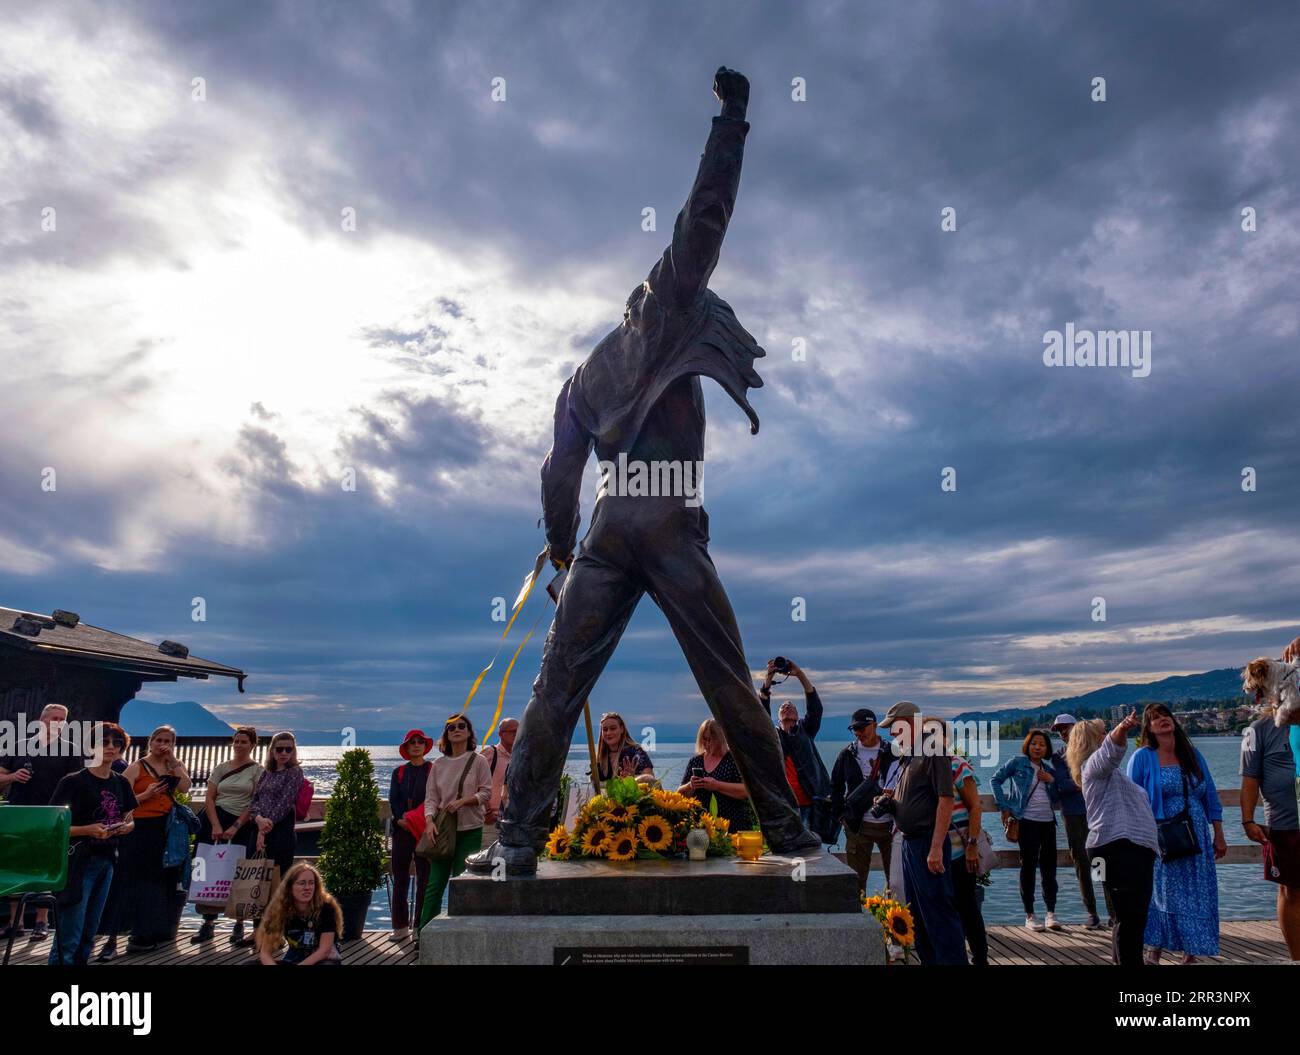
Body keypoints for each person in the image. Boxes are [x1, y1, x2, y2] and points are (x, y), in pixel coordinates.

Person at [466, 68, 819, 878]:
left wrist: (562, 551)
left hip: (605, 526)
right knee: (727, 678)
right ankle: (790, 831)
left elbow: (559, 473)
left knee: (557, 684)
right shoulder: (662, 308)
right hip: (666, 520)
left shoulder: (584, 379)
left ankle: (516, 837)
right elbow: (706, 215)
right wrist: (731, 121)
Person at [1127, 703, 1225, 964]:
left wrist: (1219, 833)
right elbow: (1131, 798)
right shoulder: (1142, 757)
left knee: (1195, 891)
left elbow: (1211, 795)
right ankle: (1155, 949)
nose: (1162, 720)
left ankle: (1190, 951)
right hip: (1160, 834)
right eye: (1155, 718)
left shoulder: (1192, 754)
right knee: (1162, 890)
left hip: (1196, 833)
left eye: (1165, 715)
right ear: (1148, 728)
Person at [876, 701, 967, 965]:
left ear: (910, 722)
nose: (891, 733)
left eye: (894, 727)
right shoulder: (910, 753)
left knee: (938, 913)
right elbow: (917, 797)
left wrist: (937, 847)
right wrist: (891, 803)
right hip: (909, 843)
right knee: (918, 914)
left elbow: (946, 799)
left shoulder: (933, 749)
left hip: (927, 842)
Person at [1066, 712, 1158, 966]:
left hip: (1107, 849)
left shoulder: (1108, 775)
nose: (1106, 735)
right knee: (1132, 916)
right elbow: (1112, 751)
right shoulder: (1093, 767)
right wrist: (1122, 727)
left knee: (1123, 915)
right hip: (1118, 849)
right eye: (1101, 733)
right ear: (1092, 741)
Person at [47, 723, 137, 966]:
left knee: (90, 932)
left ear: (121, 749)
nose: (110, 747)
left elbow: (130, 820)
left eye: (115, 743)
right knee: (69, 935)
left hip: (107, 860)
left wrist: (124, 828)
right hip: (78, 860)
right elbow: (53, 826)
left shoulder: (121, 783)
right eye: (103, 741)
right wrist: (87, 830)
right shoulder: (73, 781)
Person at [0, 702, 83, 941]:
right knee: (16, 866)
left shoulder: (69, 750)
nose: (58, 723)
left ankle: (41, 922)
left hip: (51, 819)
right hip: (19, 817)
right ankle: (15, 922)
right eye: (54, 718)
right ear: (41, 720)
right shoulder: (19, 746)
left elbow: (76, 786)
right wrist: (13, 776)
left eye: (62, 719)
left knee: (45, 867)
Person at [1242, 658, 1300, 960]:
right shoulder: (1258, 730)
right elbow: (1250, 780)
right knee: (1291, 891)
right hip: (1284, 823)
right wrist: (1248, 820)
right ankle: (1296, 957)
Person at [117, 725, 191, 954]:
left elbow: (186, 788)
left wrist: (175, 763)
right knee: (140, 878)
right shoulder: (136, 767)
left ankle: (154, 929)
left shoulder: (172, 767)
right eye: (158, 740)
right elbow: (119, 800)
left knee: (161, 878)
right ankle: (135, 932)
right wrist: (146, 795)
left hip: (164, 827)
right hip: (139, 827)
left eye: (167, 741)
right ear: (151, 742)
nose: (162, 745)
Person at [418, 715, 492, 929]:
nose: (457, 730)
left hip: (470, 829)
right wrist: (429, 822)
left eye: (462, 726)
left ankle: (459, 930)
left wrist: (463, 801)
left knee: (462, 883)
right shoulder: (438, 764)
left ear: (469, 732)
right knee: (435, 884)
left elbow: (486, 793)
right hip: (442, 830)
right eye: (451, 727)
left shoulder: (479, 761)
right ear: (446, 735)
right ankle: (424, 934)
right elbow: (431, 798)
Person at [192, 727, 263, 947]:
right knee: (210, 872)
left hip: (241, 824)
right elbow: (210, 797)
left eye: (244, 742)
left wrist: (236, 825)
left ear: (252, 745)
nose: (239, 745)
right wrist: (215, 824)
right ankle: (208, 922)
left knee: (238, 873)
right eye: (237, 741)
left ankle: (239, 922)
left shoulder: (257, 771)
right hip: (214, 820)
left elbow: (254, 802)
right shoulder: (221, 768)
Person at [992, 729, 1061, 932]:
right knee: (1028, 867)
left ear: (1047, 748)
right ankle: (1030, 915)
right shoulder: (1017, 762)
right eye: (1034, 743)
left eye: (1042, 744)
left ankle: (1051, 913)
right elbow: (995, 780)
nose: (1038, 747)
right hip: (1027, 822)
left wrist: (1051, 781)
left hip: (1048, 823)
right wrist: (1004, 806)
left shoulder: (1048, 769)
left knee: (1050, 868)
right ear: (1027, 745)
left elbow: (1056, 798)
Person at [243, 731, 305, 947]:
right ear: (272, 750)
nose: (284, 753)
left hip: (280, 835)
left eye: (289, 749)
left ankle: (275, 933)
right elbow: (255, 800)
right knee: (257, 882)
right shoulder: (266, 772)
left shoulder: (295, 773)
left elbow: (284, 804)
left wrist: (264, 827)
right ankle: (257, 930)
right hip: (259, 831)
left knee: (277, 885)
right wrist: (258, 820)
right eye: (280, 749)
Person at [1051, 714, 1112, 929]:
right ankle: (1092, 913)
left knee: (1101, 861)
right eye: (1058, 730)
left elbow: (1101, 778)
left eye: (1065, 727)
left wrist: (1077, 782)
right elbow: (1061, 785)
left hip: (1096, 811)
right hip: (1072, 814)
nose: (1062, 733)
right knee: (1080, 862)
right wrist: (1086, 780)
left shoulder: (1094, 751)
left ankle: (1113, 912)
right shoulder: (1059, 756)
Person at [759, 659, 831, 831]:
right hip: (783, 805)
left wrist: (799, 674)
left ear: (798, 716)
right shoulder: (773, 736)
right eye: (783, 706)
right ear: (777, 717)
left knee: (809, 852)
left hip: (808, 804)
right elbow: (760, 712)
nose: (787, 707)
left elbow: (815, 708)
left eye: (791, 706)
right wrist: (769, 677)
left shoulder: (805, 731)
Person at [939, 721, 988, 966]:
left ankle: (980, 958)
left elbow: (976, 807)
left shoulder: (957, 765)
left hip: (960, 849)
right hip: (937, 851)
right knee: (945, 908)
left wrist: (972, 845)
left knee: (967, 906)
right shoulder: (926, 766)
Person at [830, 708, 892, 893]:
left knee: (896, 881)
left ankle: (894, 919)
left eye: (862, 727)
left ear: (874, 725)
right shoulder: (847, 754)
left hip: (890, 826)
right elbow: (836, 786)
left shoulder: (892, 752)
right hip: (858, 827)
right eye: (854, 729)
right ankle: (861, 921)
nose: (858, 732)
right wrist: (841, 815)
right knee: (857, 883)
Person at [388, 729, 434, 943]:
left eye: (420, 742)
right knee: (400, 879)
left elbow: (436, 797)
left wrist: (418, 820)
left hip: (425, 830)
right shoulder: (398, 772)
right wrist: (400, 820)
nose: (416, 745)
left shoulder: (433, 770)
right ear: (406, 748)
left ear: (425, 746)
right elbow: (393, 800)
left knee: (425, 879)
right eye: (412, 743)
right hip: (401, 831)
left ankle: (420, 926)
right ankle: (400, 927)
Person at [677, 718, 753, 833]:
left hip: (732, 826)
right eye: (704, 739)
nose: (706, 744)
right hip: (701, 827)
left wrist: (717, 786)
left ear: (720, 739)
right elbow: (679, 794)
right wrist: (690, 785)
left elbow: (746, 791)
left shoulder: (733, 760)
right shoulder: (695, 761)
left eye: (710, 740)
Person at [257, 863, 342, 965]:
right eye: (302, 883)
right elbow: (265, 952)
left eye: (311, 883)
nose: (307, 887)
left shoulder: (326, 908)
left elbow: (324, 951)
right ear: (290, 887)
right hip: (294, 959)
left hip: (322, 960)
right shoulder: (280, 909)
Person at [592, 712, 653, 789]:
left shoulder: (636, 752)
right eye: (605, 729)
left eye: (613, 728)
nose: (608, 733)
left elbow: (650, 779)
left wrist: (632, 779)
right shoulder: (600, 758)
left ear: (622, 729)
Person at [480, 716, 518, 834]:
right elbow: (476, 783)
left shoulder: (519, 757)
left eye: (519, 732)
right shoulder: (490, 753)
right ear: (501, 734)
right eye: (513, 731)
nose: (517, 734)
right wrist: (487, 812)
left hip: (513, 821)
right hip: (491, 821)